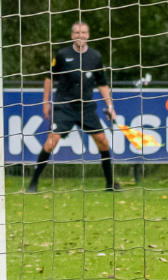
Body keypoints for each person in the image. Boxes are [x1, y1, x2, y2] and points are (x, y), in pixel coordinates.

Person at [27, 21, 119, 193]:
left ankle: (110, 183)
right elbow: (49, 78)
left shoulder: (95, 56)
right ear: (72, 35)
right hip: (64, 107)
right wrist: (46, 101)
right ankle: (33, 182)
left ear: (88, 35)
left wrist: (110, 106)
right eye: (77, 32)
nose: (80, 36)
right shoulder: (62, 54)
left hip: (86, 108)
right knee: (50, 143)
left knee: (103, 143)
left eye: (83, 32)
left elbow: (102, 83)